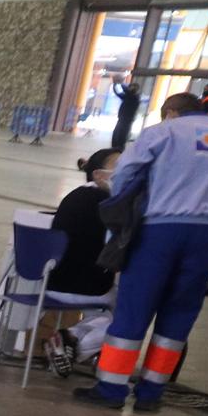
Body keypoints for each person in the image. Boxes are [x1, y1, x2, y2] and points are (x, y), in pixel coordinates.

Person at [73, 93, 208, 412]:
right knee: (180, 311)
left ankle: (111, 388)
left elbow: (123, 176)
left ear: (171, 112)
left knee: (135, 306)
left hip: (160, 230)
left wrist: (126, 206)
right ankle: (151, 394)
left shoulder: (163, 132)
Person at [47, 148, 121, 367]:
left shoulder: (74, 196)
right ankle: (73, 342)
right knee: (130, 318)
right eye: (121, 167)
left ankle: (67, 339)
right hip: (89, 286)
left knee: (104, 318)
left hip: (53, 283)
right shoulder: (111, 206)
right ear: (98, 174)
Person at [111, 75, 142, 153]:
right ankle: (114, 150)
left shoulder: (134, 97)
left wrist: (120, 83)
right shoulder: (128, 96)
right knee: (116, 136)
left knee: (122, 137)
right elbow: (118, 93)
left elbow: (125, 90)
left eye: (132, 87)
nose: (130, 88)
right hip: (121, 119)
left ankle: (119, 151)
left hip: (127, 121)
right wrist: (115, 84)